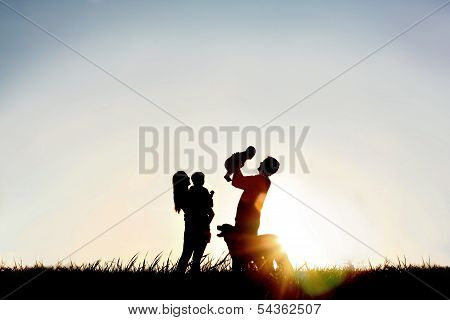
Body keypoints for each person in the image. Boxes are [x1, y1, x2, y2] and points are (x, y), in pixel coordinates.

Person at [172, 171, 214, 274]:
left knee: (188, 255)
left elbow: (205, 208)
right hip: (197, 225)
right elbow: (204, 209)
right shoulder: (188, 194)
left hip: (193, 226)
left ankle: (182, 274)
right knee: (193, 256)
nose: (189, 181)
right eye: (187, 179)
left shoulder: (187, 194)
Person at [232, 156, 280, 235]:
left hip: (245, 220)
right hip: (252, 220)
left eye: (263, 162)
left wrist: (236, 165)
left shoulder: (259, 180)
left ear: (265, 166)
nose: (260, 163)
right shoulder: (266, 182)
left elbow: (237, 181)